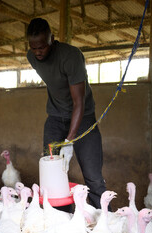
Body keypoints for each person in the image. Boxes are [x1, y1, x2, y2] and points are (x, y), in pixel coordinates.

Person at [27, 18, 107, 209]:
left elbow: (78, 101)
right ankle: (60, 220)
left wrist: (69, 141)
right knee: (51, 172)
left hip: (83, 118)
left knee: (93, 176)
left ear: (52, 39)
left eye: (42, 47)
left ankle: (106, 221)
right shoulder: (32, 57)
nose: (38, 52)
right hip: (55, 119)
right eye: (33, 47)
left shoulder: (70, 56)